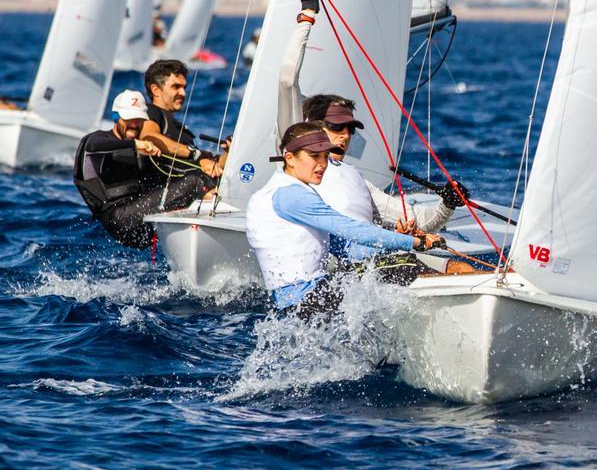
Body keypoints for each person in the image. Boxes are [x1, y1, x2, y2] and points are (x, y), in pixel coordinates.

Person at [281, 0, 469, 236]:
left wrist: (447, 204)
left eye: (350, 129)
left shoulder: (357, 180)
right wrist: (308, 13)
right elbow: (287, 78)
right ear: (312, 126)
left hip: (366, 269)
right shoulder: (297, 168)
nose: (345, 136)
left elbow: (418, 221)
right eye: (336, 127)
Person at [246, 121, 450, 319]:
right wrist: (414, 243)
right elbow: (351, 229)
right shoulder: (290, 195)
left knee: (389, 265)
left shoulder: (284, 191)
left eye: (325, 156)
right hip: (307, 301)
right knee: (399, 268)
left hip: (298, 304)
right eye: (314, 156)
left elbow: (348, 248)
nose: (322, 164)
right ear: (289, 158)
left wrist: (394, 240)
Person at [73, 91, 213, 249]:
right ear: (116, 117)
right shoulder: (99, 141)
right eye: (129, 118)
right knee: (194, 184)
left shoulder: (144, 149)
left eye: (139, 120)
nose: (134, 124)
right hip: (118, 218)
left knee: (196, 179)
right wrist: (135, 145)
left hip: (141, 224)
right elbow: (94, 146)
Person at [141, 59, 226, 188]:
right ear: (156, 90)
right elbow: (148, 137)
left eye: (184, 87)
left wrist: (230, 150)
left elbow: (213, 166)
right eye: (176, 87)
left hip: (197, 186)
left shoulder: (177, 126)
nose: (183, 93)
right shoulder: (151, 112)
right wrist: (195, 154)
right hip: (171, 192)